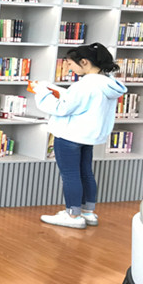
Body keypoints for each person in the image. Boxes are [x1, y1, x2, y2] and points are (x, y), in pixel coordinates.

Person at [32, 42, 126, 229]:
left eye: (70, 64)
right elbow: (83, 104)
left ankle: (73, 215)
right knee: (86, 173)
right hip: (88, 136)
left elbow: (61, 108)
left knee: (70, 175)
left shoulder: (84, 85)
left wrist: (41, 92)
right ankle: (87, 212)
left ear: (84, 62)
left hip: (69, 136)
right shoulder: (106, 84)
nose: (69, 68)